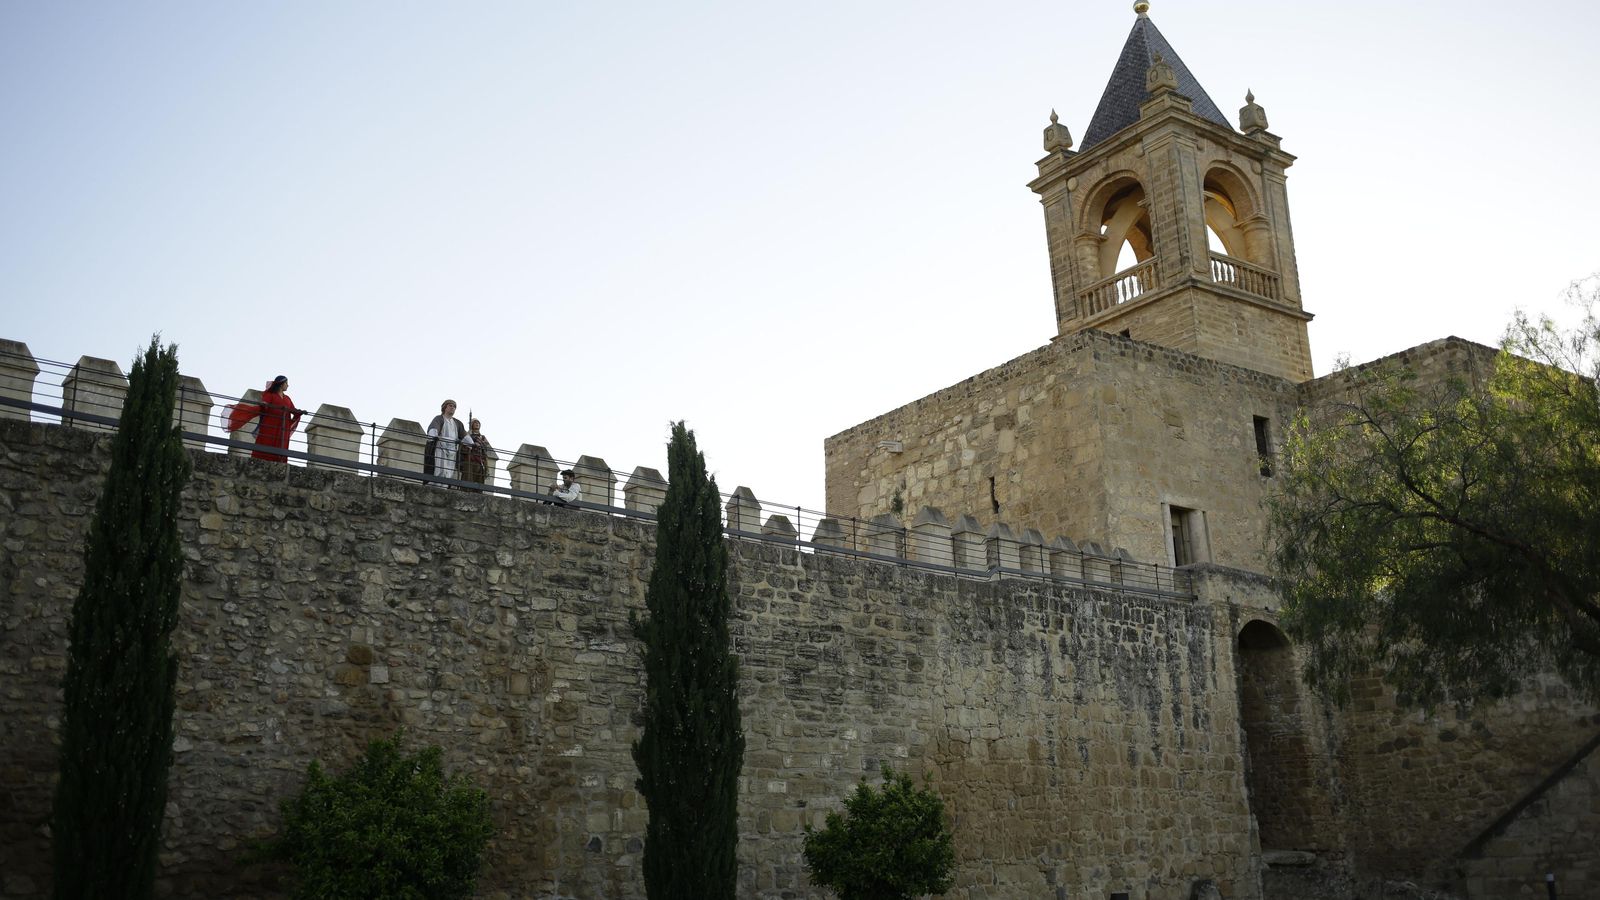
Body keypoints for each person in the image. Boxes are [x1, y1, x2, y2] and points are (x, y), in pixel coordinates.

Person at [251, 375, 303, 462]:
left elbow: (293, 410)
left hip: (283, 427)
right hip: (270, 424)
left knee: (281, 444)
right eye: (286, 383)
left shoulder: (287, 398)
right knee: (267, 442)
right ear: (281, 384)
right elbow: (264, 405)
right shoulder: (270, 395)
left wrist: (300, 412)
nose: (288, 385)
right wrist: (264, 404)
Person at [424, 400, 472, 480]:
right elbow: (434, 427)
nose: (452, 408)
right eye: (450, 405)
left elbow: (463, 434)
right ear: (444, 407)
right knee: (440, 470)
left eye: (454, 407)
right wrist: (434, 434)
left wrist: (471, 443)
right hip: (441, 447)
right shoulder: (439, 418)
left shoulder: (457, 423)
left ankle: (445, 487)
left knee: (449, 471)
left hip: (452, 449)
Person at [460, 417, 493, 489]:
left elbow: (486, 448)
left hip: (480, 462)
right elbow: (462, 448)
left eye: (478, 423)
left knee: (479, 482)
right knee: (468, 480)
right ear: (471, 425)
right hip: (469, 460)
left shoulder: (483, 437)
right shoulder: (467, 436)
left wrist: (480, 444)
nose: (477, 424)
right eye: (475, 422)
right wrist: (473, 444)